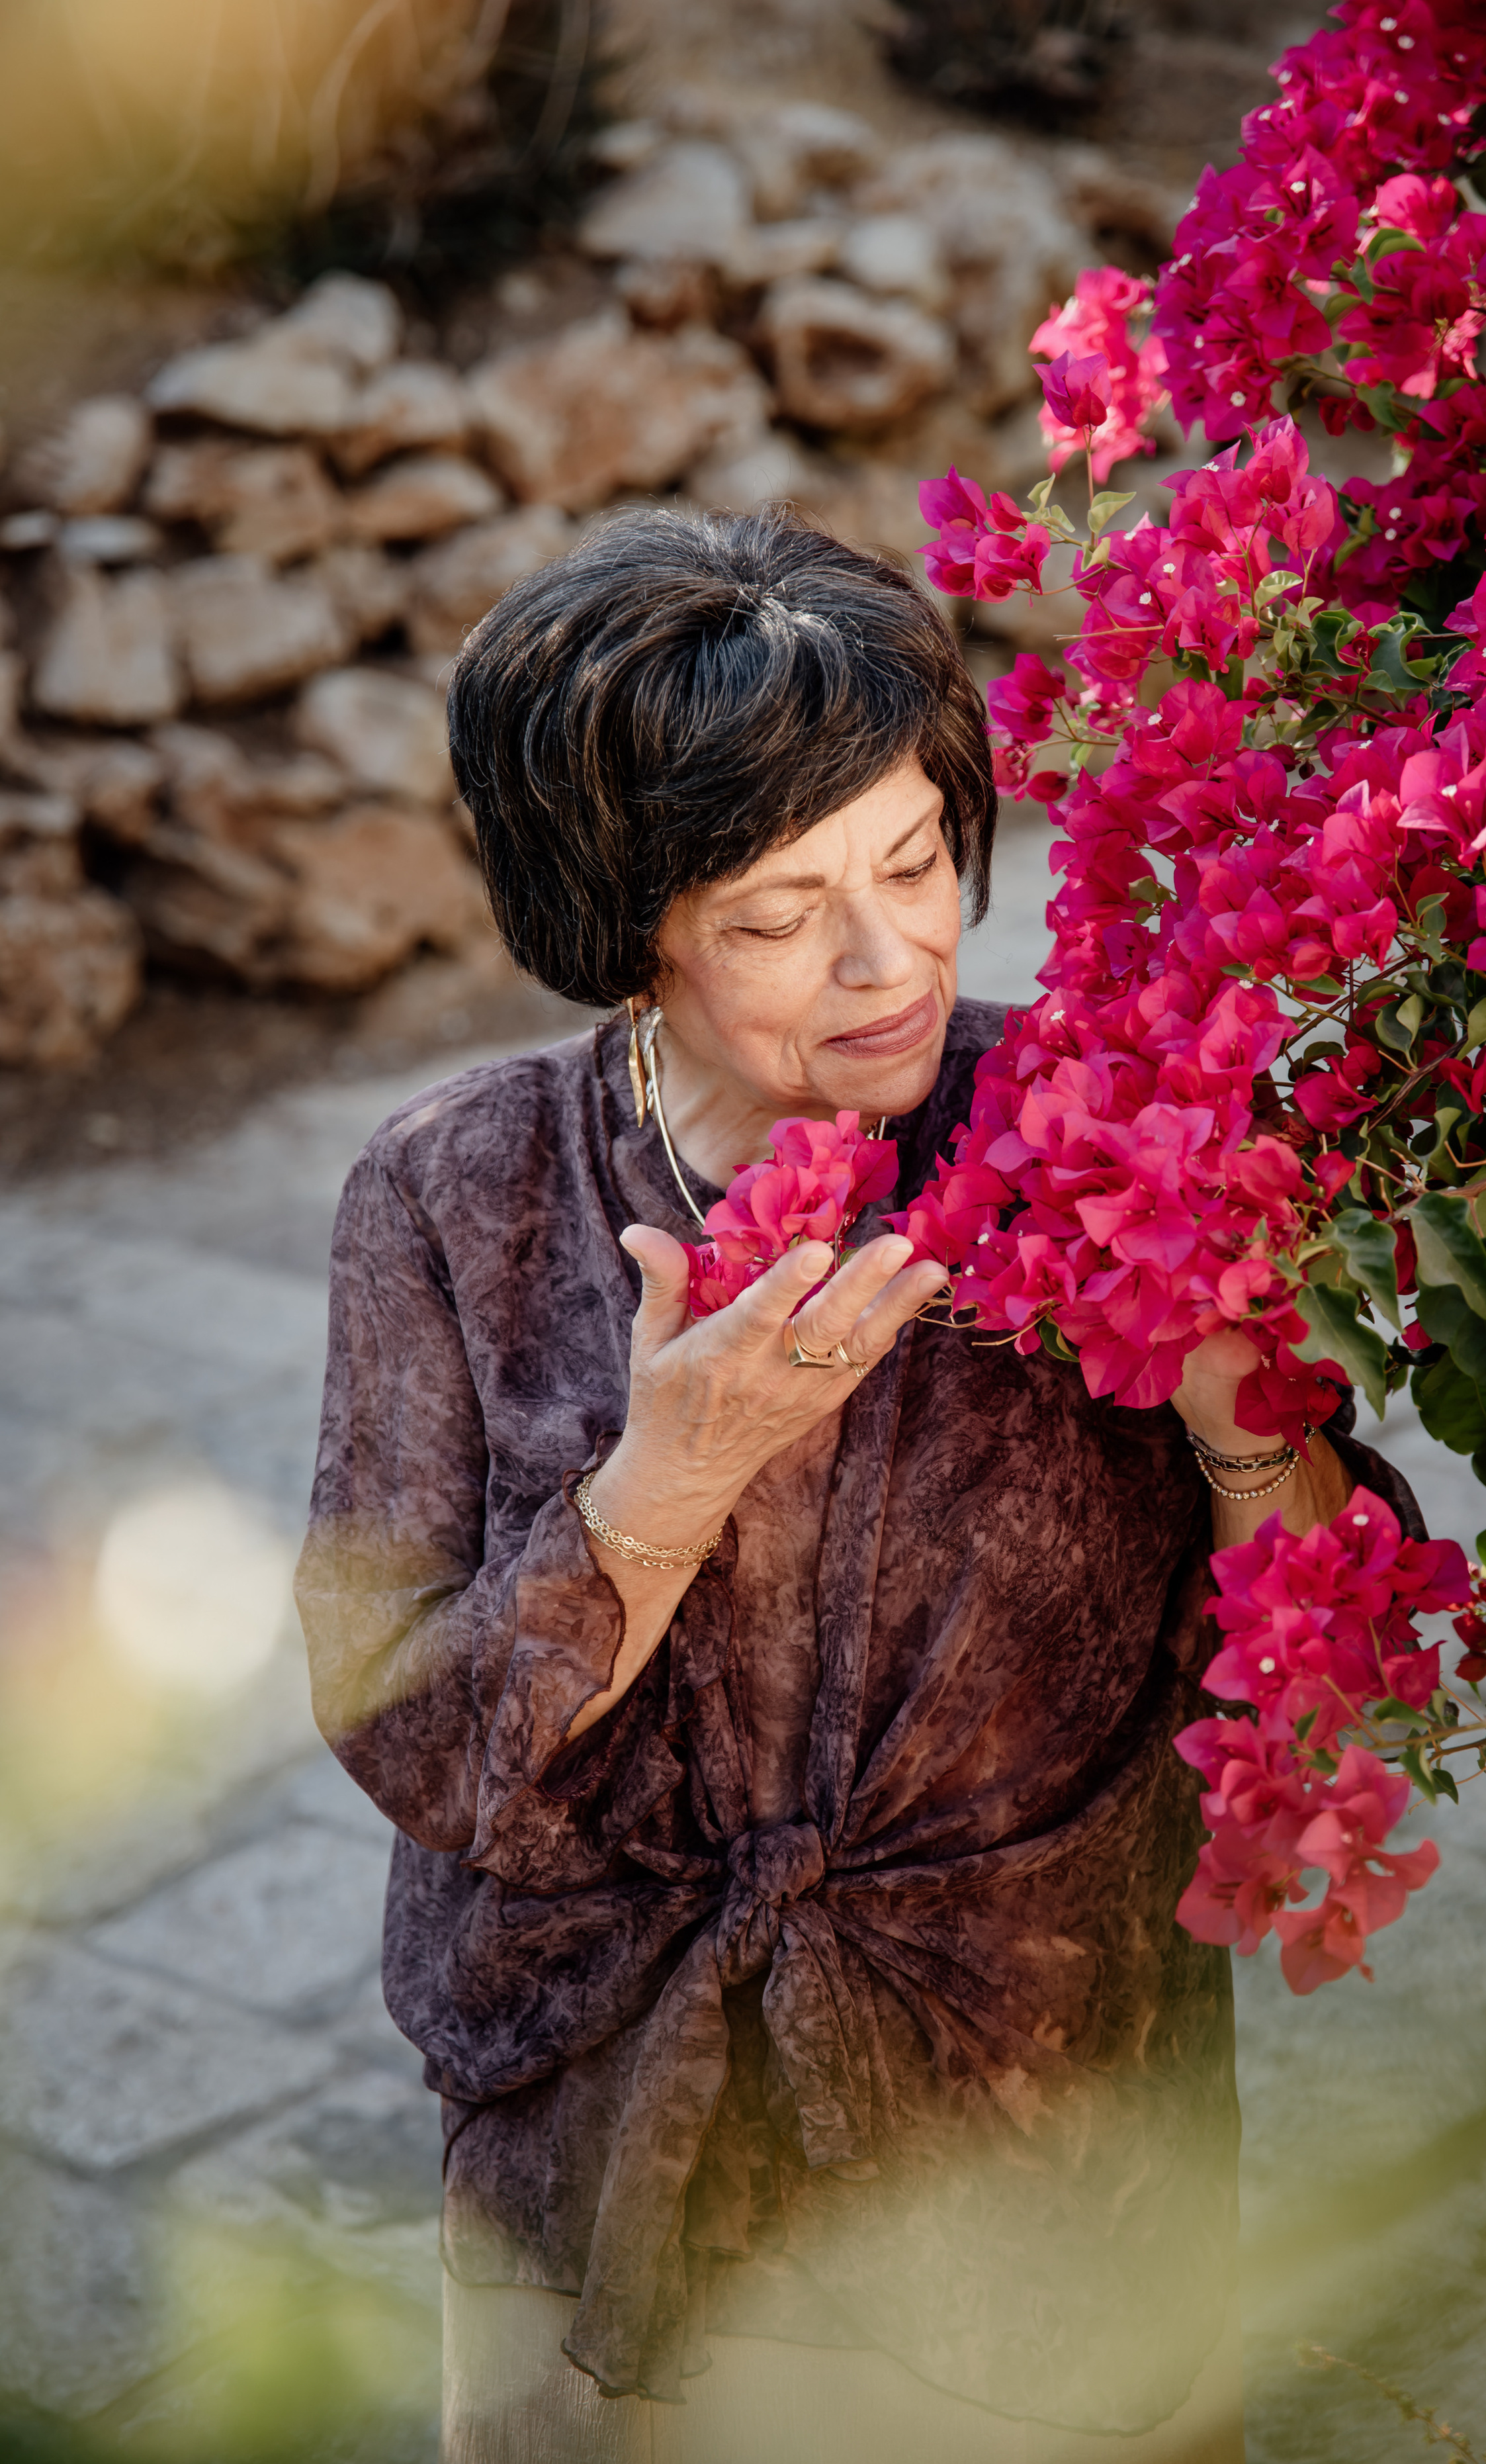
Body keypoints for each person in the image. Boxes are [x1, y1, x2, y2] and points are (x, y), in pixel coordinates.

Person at [295, 507, 1417, 2464]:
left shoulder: (1102, 1132)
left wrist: (1240, 1391)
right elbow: (410, 1729)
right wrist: (665, 1482)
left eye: (915, 860)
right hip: (602, 2117)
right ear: (629, 925)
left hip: (1036, 2144)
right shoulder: (455, 1194)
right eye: (776, 914)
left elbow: (1331, 1679)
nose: (890, 958)